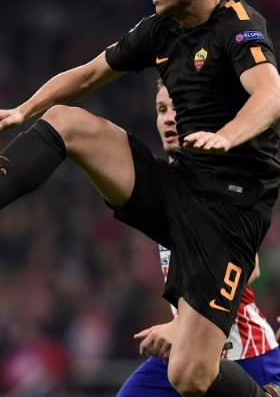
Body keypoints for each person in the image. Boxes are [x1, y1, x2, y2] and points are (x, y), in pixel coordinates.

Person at [0, 0, 280, 396]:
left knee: (189, 375)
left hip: (230, 211)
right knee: (66, 122)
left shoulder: (238, 23)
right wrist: (23, 109)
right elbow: (88, 75)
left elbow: (271, 94)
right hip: (180, 188)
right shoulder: (160, 31)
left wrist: (226, 137)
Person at [116, 82, 280, 395]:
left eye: (176, 108)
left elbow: (250, 267)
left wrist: (181, 325)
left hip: (246, 356)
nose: (167, 118)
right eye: (161, 110)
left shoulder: (219, 182)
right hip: (184, 352)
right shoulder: (166, 184)